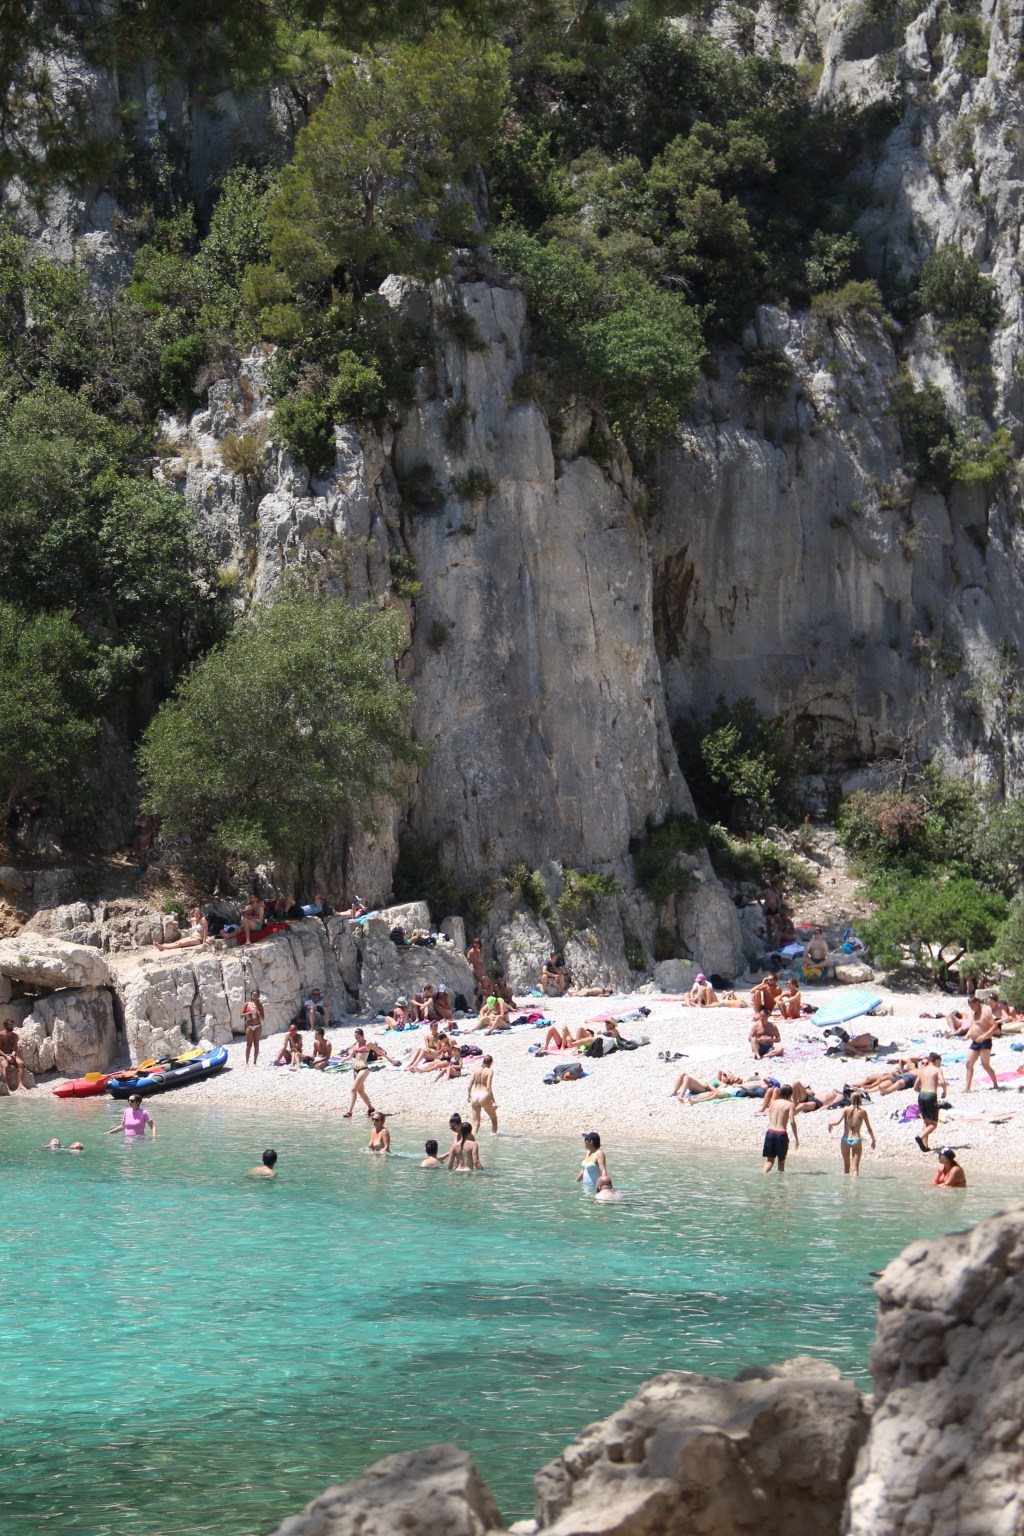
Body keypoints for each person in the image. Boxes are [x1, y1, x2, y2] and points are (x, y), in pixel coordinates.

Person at [341, 1028, 397, 1118]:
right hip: (355, 1069)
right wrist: (344, 1059)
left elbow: (379, 1052)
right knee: (360, 1091)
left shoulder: (368, 1044)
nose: (357, 1039)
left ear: (363, 1036)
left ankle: (349, 1112)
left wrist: (389, 1059)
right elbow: (351, 1055)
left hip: (363, 1069)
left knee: (353, 1089)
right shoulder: (355, 1044)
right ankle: (371, 1108)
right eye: (356, 1037)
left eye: (358, 1037)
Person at [829, 1092, 876, 1176]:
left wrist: (830, 1124)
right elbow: (869, 1128)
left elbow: (837, 1122)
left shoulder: (846, 1109)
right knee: (855, 1169)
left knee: (846, 1166)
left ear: (851, 1099)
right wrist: (873, 1140)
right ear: (860, 1100)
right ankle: (855, 1188)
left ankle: (846, 1188)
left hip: (845, 1139)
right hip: (856, 1139)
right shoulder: (863, 1112)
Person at [964, 997, 1001, 1093]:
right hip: (975, 1042)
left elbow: (994, 1027)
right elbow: (974, 1025)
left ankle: (995, 1084)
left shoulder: (985, 1013)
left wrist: (984, 1036)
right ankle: (967, 1087)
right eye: (970, 1006)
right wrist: (967, 1035)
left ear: (978, 1002)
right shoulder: (974, 1013)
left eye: (973, 1005)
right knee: (969, 1063)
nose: (972, 1008)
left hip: (985, 1041)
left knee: (985, 1064)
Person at [912, 1054, 947, 1151]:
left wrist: (923, 1093)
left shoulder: (922, 1070)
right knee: (933, 1124)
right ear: (936, 1060)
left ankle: (925, 1145)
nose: (940, 1064)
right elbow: (943, 1082)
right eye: (940, 1061)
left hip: (921, 1095)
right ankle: (920, 1137)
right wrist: (944, 1092)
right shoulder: (937, 1069)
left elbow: (915, 1087)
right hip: (931, 1096)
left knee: (926, 1121)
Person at [761, 1085, 797, 1173]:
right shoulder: (790, 1104)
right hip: (781, 1134)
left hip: (770, 1132)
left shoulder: (773, 1102)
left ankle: (763, 1176)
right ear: (791, 1094)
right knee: (781, 1162)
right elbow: (792, 1121)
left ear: (780, 1093)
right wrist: (796, 1138)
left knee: (769, 1161)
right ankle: (779, 1184)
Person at [468, 1055, 498, 1133]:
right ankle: (494, 1138)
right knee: (493, 1119)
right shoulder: (490, 1071)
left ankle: (472, 1140)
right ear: (490, 1063)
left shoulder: (476, 1070)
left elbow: (469, 1086)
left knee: (476, 1124)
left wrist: (468, 1095)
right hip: (484, 1095)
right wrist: (493, 1101)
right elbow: (488, 1087)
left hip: (474, 1095)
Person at [0, 1017, 26, 1091]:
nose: (12, 1027)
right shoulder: (0, 1035)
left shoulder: (15, 1036)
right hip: (2, 1055)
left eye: (13, 1025)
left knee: (21, 1064)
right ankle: (6, 1086)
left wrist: (13, 1054)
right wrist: (6, 1056)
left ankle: (20, 1084)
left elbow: (15, 1048)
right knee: (5, 1065)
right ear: (5, 1026)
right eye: (10, 1025)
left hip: (10, 1054)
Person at [243, 990, 264, 1066]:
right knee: (249, 1045)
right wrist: (248, 1013)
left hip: (258, 1025)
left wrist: (259, 1014)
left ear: (258, 996)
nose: (255, 997)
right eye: (253, 996)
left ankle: (255, 1062)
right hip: (249, 1026)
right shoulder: (246, 1004)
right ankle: (247, 1062)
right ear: (251, 996)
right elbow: (241, 1015)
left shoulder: (260, 1005)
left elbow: (263, 1018)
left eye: (256, 996)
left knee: (256, 1044)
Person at [467, 937, 486, 1007]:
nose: (476, 945)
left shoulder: (479, 951)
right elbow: (469, 962)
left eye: (477, 943)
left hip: (481, 971)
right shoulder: (471, 952)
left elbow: (480, 962)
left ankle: (481, 1005)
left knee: (483, 988)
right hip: (475, 972)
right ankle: (474, 1006)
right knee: (479, 988)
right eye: (475, 943)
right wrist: (473, 970)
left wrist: (483, 971)